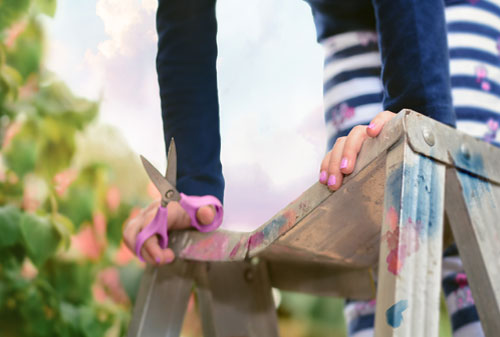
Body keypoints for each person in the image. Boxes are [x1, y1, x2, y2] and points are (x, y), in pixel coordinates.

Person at [123, 0, 496, 335]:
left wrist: (416, 112)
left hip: (445, 15)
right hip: (347, 32)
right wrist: (190, 185)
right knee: (368, 257)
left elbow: (424, 134)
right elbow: (185, 14)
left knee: (461, 241)